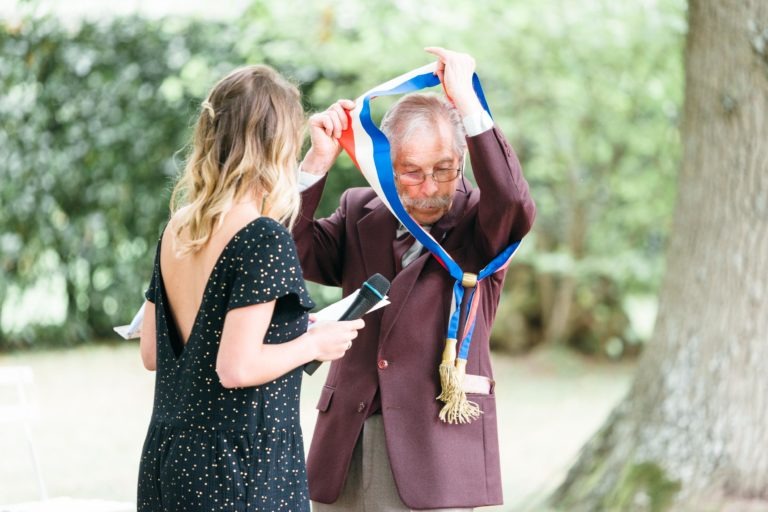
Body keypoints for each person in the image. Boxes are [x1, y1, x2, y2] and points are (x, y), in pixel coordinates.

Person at [293, 47, 536, 511]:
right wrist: (316, 164)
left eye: (443, 170)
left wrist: (468, 103)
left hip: (437, 448)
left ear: (461, 158)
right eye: (412, 172)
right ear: (386, 165)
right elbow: (290, 249)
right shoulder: (358, 209)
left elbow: (512, 200)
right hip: (345, 440)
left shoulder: (483, 221)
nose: (429, 187)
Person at [136, 64, 364, 512]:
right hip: (240, 467)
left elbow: (152, 353)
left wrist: (288, 333)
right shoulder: (263, 237)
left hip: (169, 458)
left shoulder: (178, 229)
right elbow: (235, 369)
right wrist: (313, 343)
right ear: (275, 144)